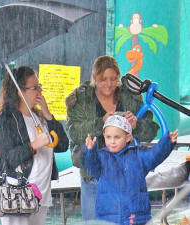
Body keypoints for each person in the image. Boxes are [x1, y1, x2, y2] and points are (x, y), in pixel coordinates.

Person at [65, 55, 159, 221]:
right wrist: (100, 122)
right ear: (93, 78)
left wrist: (137, 126)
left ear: (118, 78)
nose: (109, 84)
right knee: (96, 222)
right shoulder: (80, 99)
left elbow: (152, 132)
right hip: (94, 176)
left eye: (113, 79)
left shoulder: (130, 96)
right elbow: (74, 132)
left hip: (127, 177)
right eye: (103, 80)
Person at [0, 66, 69, 225]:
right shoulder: (7, 120)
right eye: (34, 87)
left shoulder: (39, 117)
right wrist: (32, 146)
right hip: (18, 195)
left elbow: (63, 145)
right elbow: (4, 160)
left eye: (39, 86)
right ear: (20, 92)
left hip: (41, 194)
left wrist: (48, 115)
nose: (39, 91)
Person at [81, 114, 178, 225]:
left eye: (117, 137)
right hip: (108, 219)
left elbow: (154, 155)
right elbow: (91, 166)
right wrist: (89, 151)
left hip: (137, 218)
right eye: (108, 137)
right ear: (104, 136)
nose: (112, 141)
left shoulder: (137, 155)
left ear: (128, 137)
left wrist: (167, 142)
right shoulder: (101, 158)